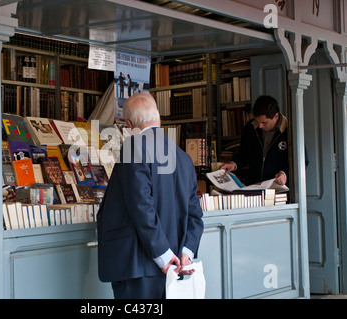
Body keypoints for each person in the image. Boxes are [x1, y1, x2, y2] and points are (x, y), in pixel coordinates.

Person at [97, 92, 204, 299]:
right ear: (158, 117)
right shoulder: (183, 157)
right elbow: (195, 214)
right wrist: (186, 254)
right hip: (176, 265)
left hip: (138, 266)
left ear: (129, 124)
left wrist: (164, 257)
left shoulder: (133, 147)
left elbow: (141, 207)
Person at [220, 95, 289, 186]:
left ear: (276, 116)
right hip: (254, 188)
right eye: (257, 121)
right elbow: (243, 155)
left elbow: (302, 161)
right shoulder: (250, 127)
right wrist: (234, 164)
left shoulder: (290, 130)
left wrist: (285, 174)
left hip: (279, 190)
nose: (260, 126)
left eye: (264, 122)